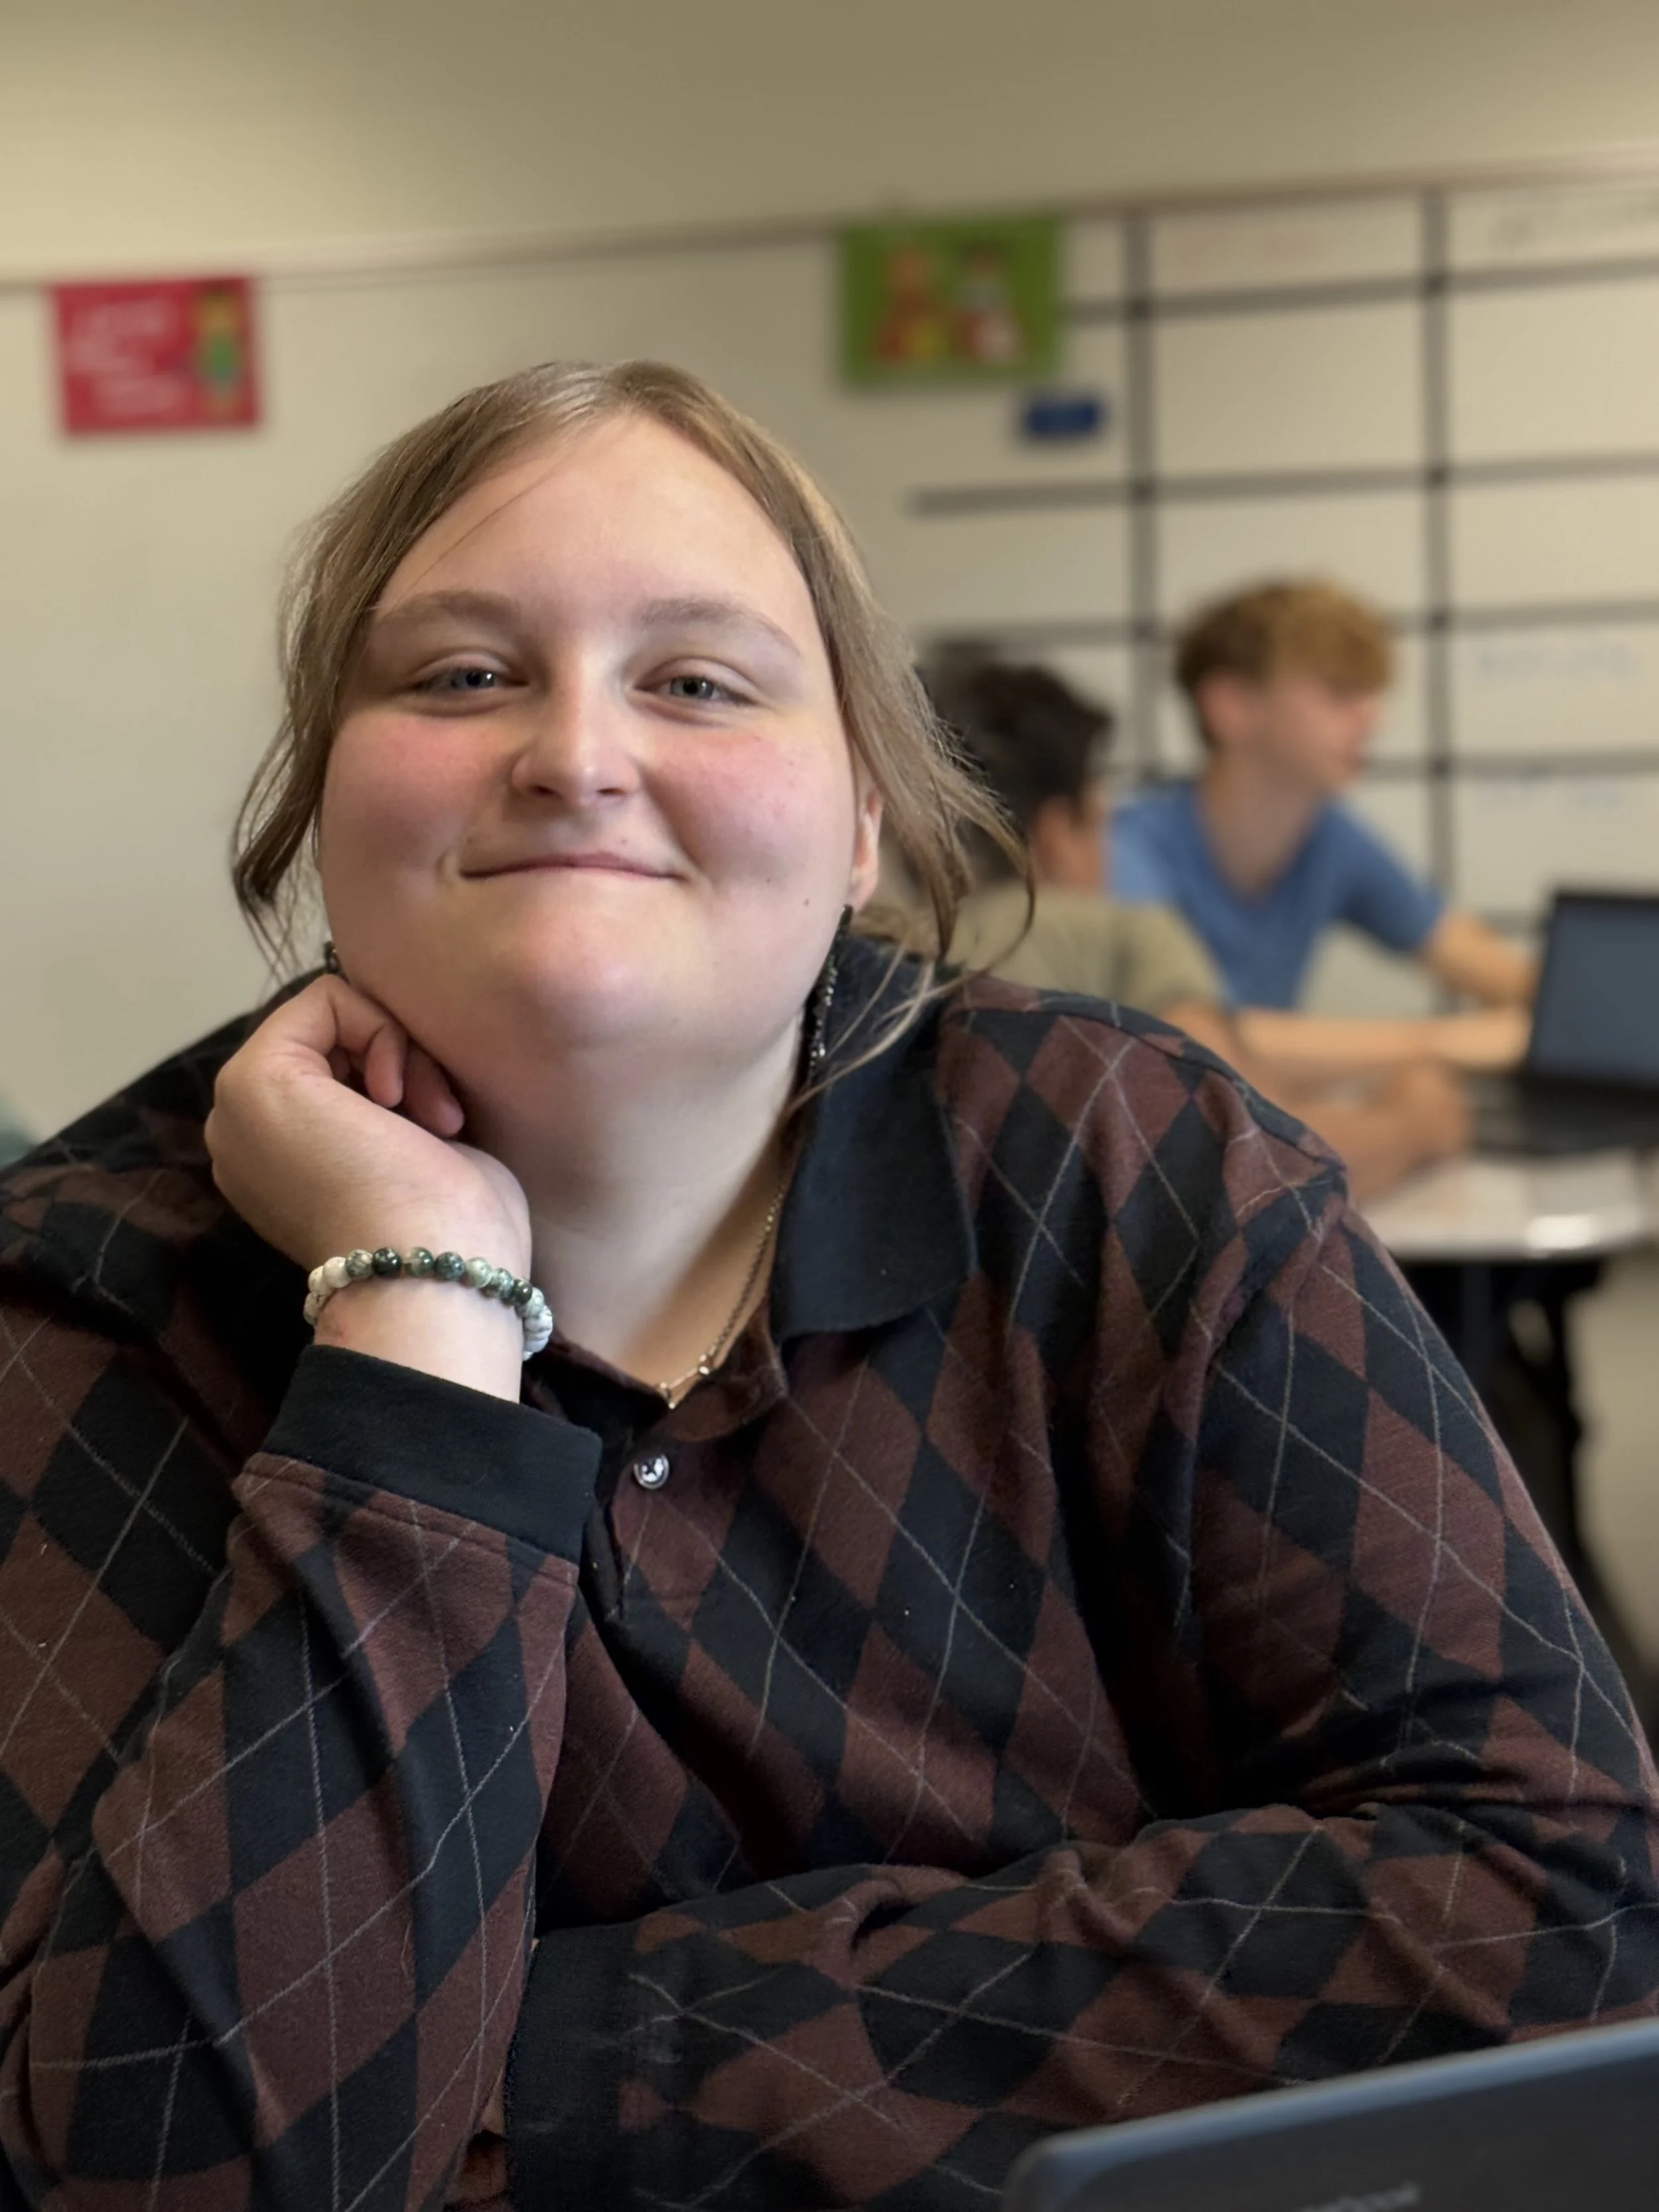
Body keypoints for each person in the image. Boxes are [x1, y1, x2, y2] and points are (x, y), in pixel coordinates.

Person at [2, 362, 1656, 2212]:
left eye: (698, 679)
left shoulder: (1126, 1160)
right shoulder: (79, 1290)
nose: (575, 752)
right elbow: (150, 2165)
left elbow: (1558, 1896)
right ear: (322, 800)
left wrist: (523, 2064)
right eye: (461, 674)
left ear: (865, 820)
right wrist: (417, 1309)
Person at [931, 651, 1469, 1200]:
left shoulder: (875, 952)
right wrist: (1418, 1124)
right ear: (1058, 832)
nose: (1368, 718)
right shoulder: (1118, 932)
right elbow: (1267, 1159)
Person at [1113, 579, 1536, 1080]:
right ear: (1231, 704)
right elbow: (1189, 1038)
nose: (1372, 719)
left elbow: (1479, 961)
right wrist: (1446, 1041)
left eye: (1371, 694)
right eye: (1340, 691)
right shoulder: (1126, 849)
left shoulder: (1330, 836)